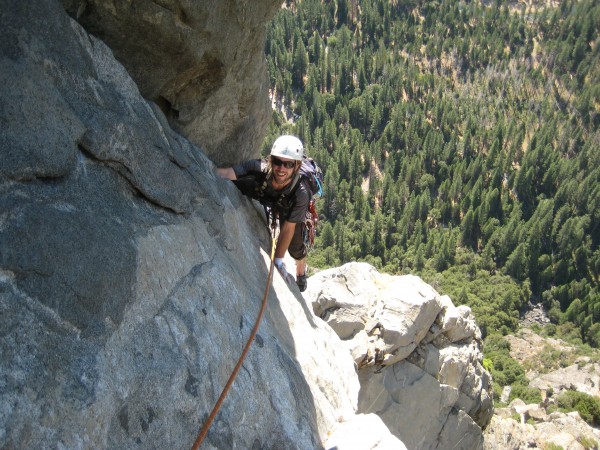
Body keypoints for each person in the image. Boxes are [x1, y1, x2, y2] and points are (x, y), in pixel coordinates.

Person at [216, 135, 310, 292]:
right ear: (271, 160)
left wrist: (278, 262)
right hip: (265, 194)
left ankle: (301, 268)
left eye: (288, 164)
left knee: (295, 247)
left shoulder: (301, 193)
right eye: (278, 162)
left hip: (288, 206)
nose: (281, 168)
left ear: (297, 166)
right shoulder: (257, 169)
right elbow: (226, 174)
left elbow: (288, 228)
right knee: (241, 183)